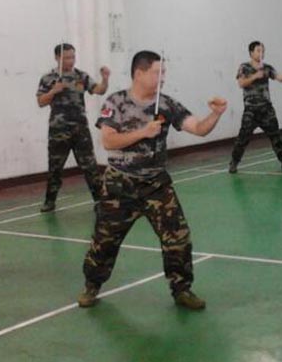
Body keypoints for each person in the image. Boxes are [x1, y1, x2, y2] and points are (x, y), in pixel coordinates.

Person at [77, 51, 227, 310]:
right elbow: (109, 141)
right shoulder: (117, 102)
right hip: (120, 185)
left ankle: (181, 289)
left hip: (156, 185)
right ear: (139, 73)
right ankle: (92, 284)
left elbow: (198, 129)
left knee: (178, 238)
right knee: (104, 241)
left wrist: (215, 114)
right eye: (158, 73)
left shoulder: (167, 104)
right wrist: (143, 132)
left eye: (164, 72)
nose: (163, 78)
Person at [36, 43, 109, 212]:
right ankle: (50, 201)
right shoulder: (48, 78)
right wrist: (53, 91)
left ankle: (100, 200)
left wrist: (105, 79)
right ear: (57, 58)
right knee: (55, 167)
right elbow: (40, 102)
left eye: (73, 57)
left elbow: (99, 90)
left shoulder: (81, 76)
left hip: (80, 129)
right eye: (67, 57)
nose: (71, 60)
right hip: (58, 130)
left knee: (90, 166)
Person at [229, 41, 282, 173]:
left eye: (263, 51)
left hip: (266, 109)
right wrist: (255, 76)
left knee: (276, 137)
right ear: (251, 53)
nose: (261, 53)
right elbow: (241, 83)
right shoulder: (244, 67)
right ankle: (234, 163)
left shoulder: (267, 68)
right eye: (258, 51)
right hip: (251, 110)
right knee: (242, 138)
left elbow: (279, 78)